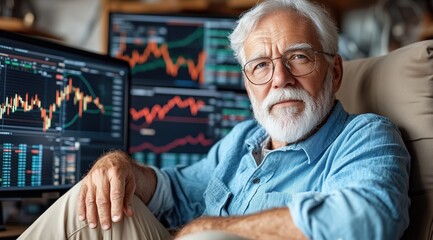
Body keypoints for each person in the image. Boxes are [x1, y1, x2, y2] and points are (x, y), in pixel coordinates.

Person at [18, 0, 411, 239]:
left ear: (335, 72)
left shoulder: (366, 136)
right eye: (261, 65)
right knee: (91, 200)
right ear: (248, 83)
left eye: (299, 57)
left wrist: (211, 231)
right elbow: (176, 192)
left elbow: (366, 222)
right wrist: (119, 168)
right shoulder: (243, 140)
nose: (280, 79)